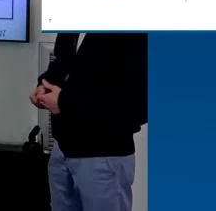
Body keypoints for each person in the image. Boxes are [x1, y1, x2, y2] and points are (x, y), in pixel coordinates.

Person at [31, 32, 147, 211]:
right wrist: (44, 86)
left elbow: (139, 104)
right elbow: (64, 63)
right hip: (62, 150)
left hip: (104, 154)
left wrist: (65, 101)